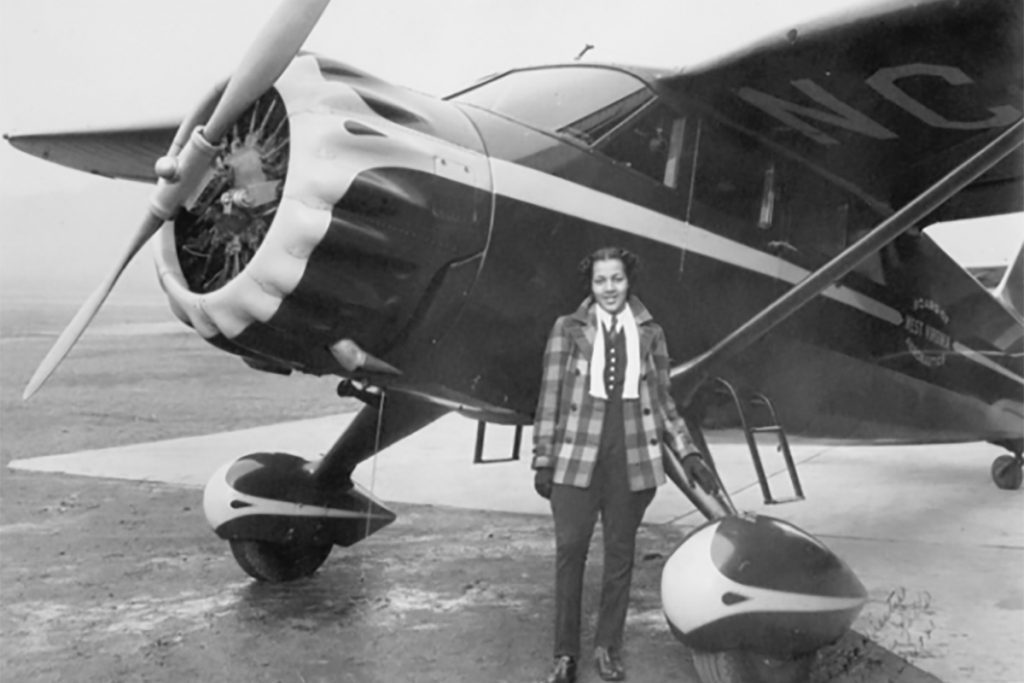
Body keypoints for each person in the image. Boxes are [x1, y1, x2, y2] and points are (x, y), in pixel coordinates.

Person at [532, 246, 718, 683]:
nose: (609, 288)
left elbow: (663, 402)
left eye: (616, 279)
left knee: (620, 556)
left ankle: (607, 649)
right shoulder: (568, 329)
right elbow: (550, 398)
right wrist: (544, 459)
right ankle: (564, 655)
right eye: (600, 281)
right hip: (576, 460)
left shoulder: (651, 333)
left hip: (630, 460)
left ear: (627, 281)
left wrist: (688, 452)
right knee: (569, 552)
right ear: (591, 285)